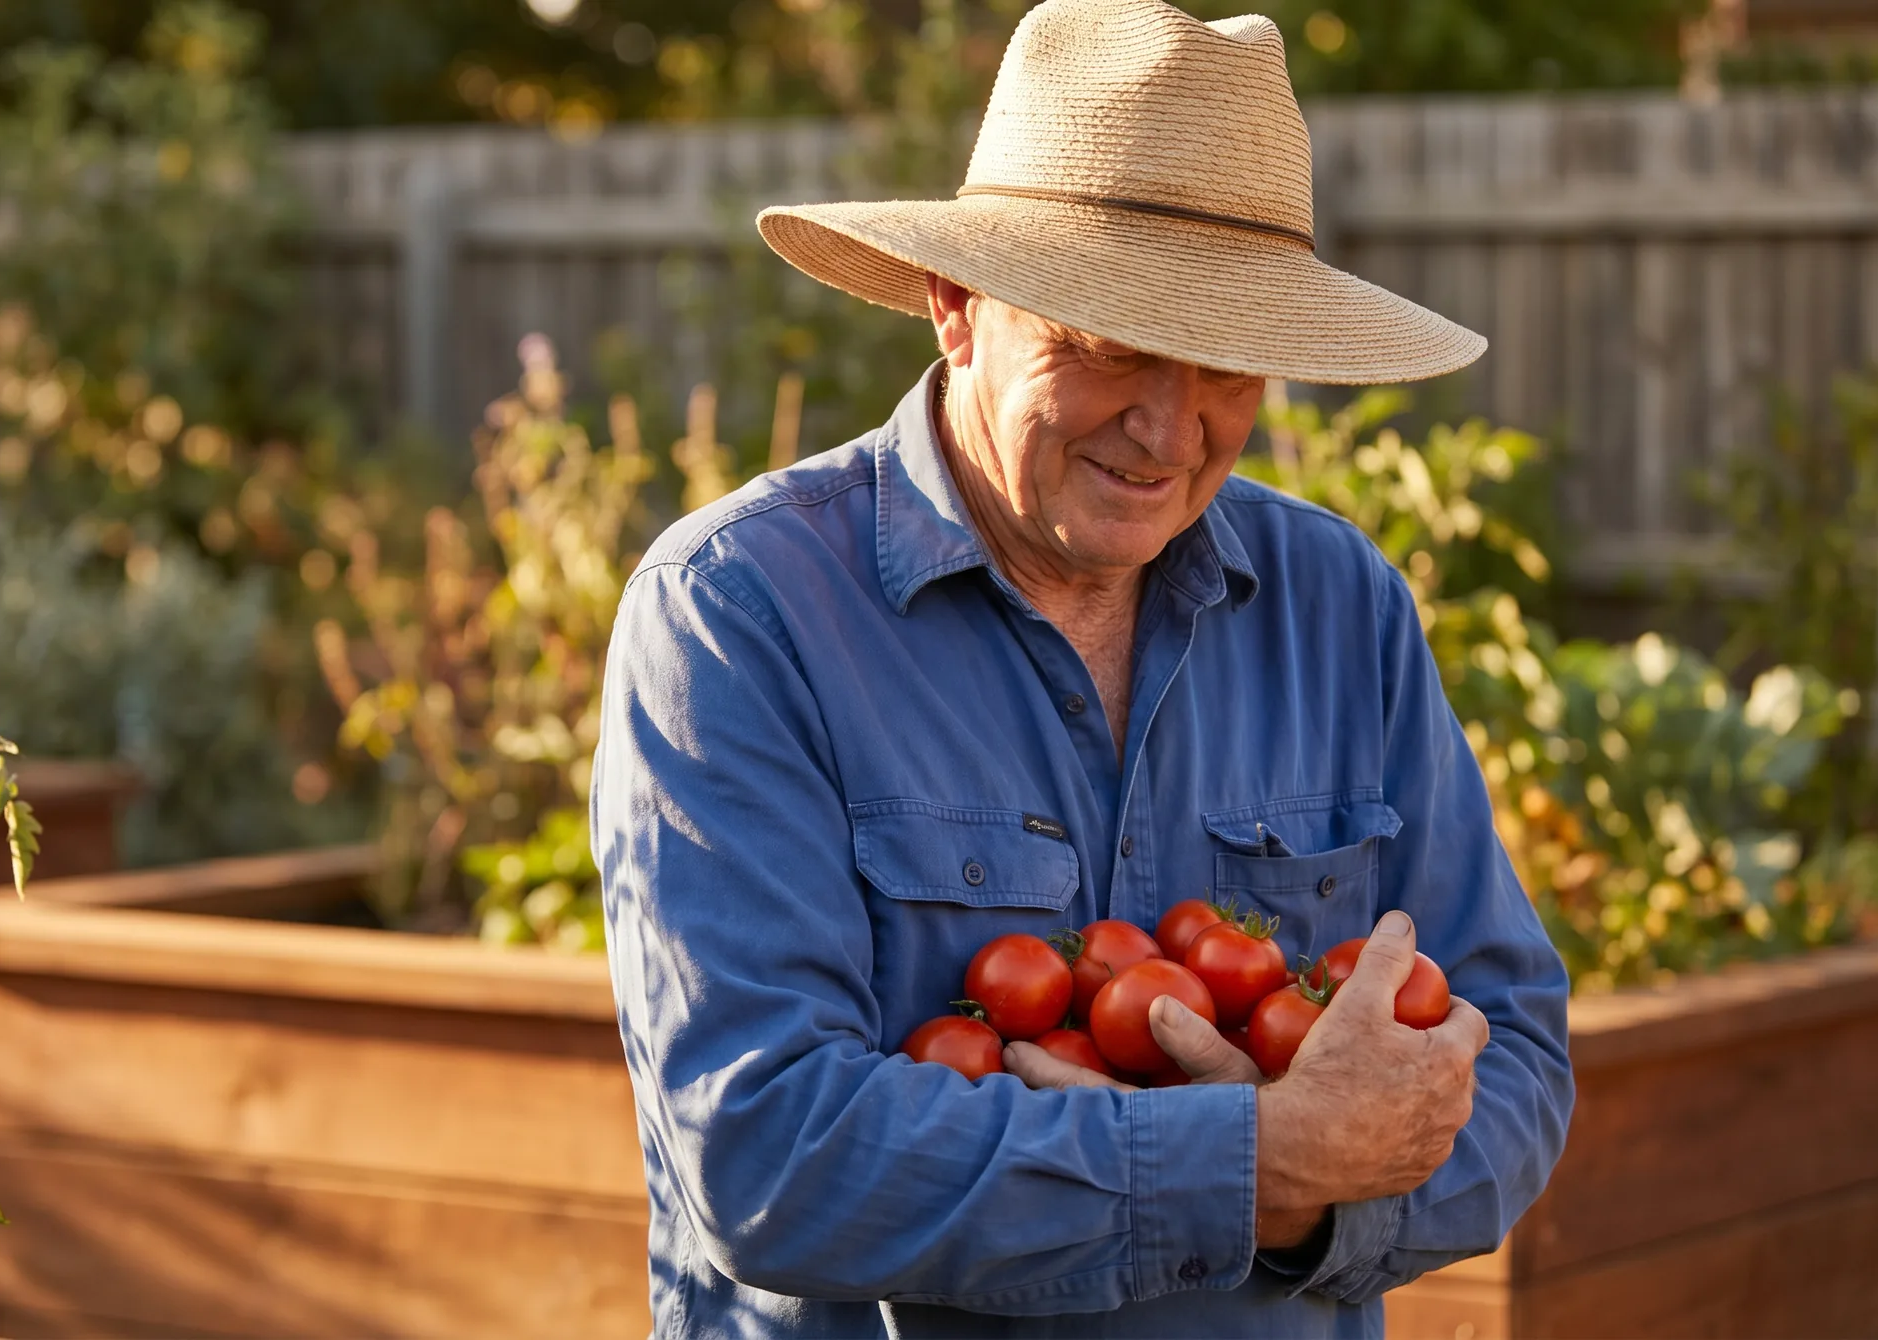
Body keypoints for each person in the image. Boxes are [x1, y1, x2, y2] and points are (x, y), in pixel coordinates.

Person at [590, 1, 1574, 1334]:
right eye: (1111, 346)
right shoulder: (738, 614)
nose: (1170, 431)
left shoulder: (1340, 604)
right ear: (955, 309)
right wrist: (1258, 1165)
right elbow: (764, 1156)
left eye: (1228, 364)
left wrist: (1324, 1185)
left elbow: (1512, 1057)